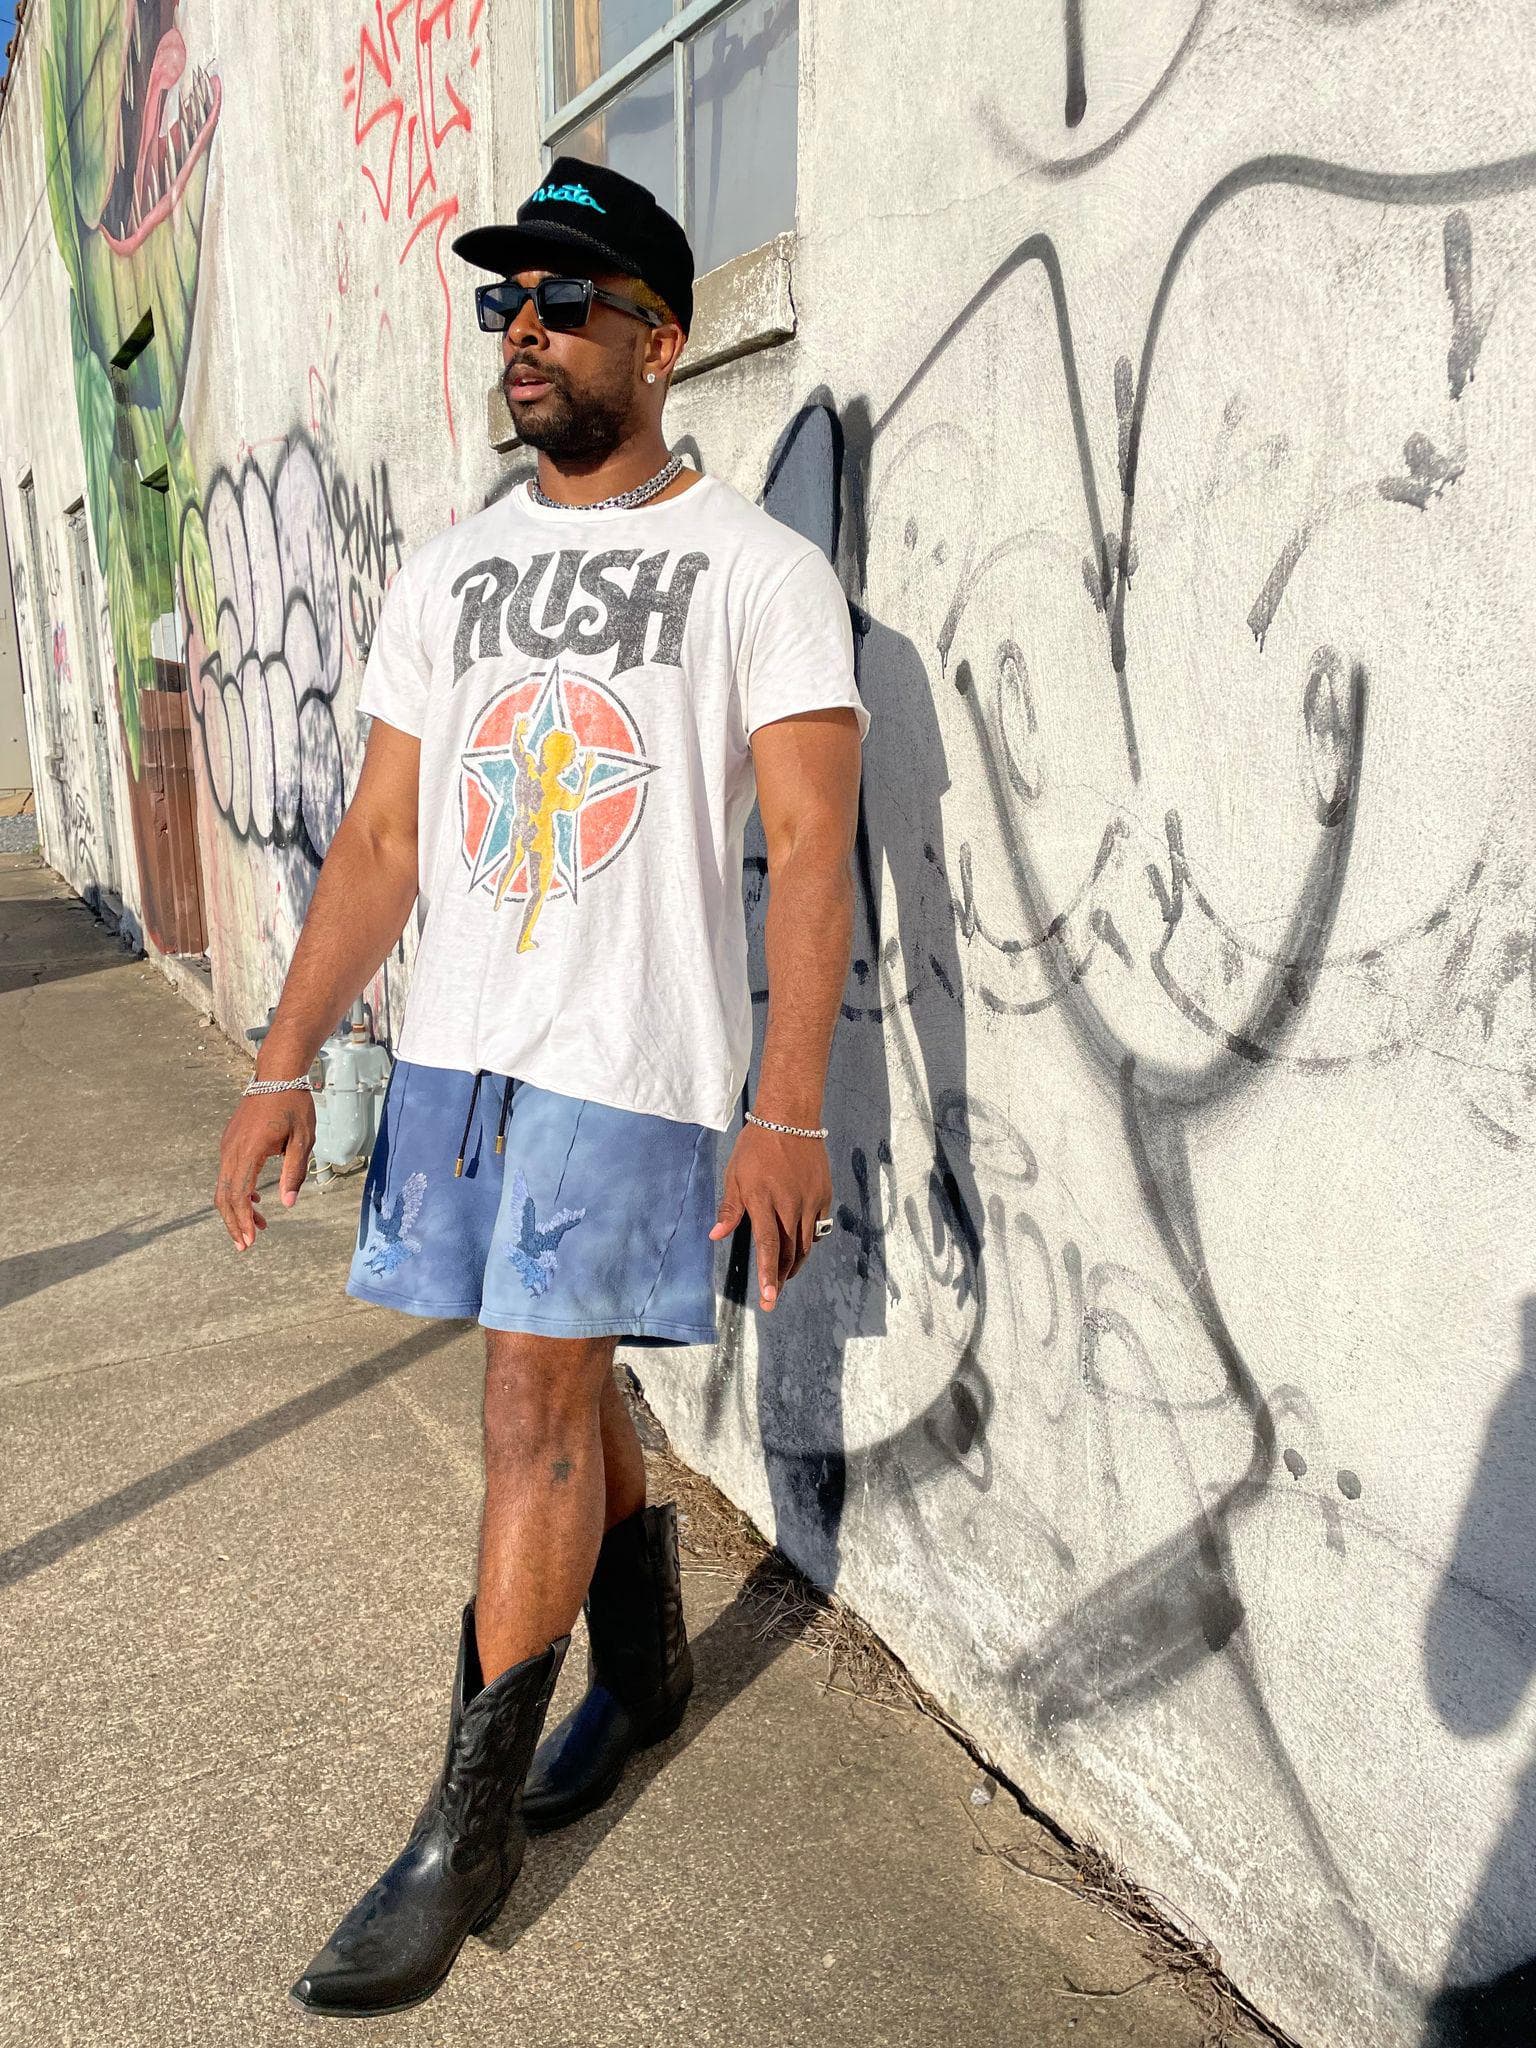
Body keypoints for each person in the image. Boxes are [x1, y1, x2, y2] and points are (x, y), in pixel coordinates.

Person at [212, 155, 868, 2019]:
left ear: (661, 341)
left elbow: (815, 847)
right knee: (555, 1375)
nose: (526, 330)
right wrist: (281, 1062)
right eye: (508, 299)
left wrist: (789, 1109)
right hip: (461, 1062)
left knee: (529, 1407)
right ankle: (645, 1668)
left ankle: (464, 1835)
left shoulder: (757, 572)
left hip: (630, 1067)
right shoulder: (451, 570)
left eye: (568, 301)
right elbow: (383, 841)